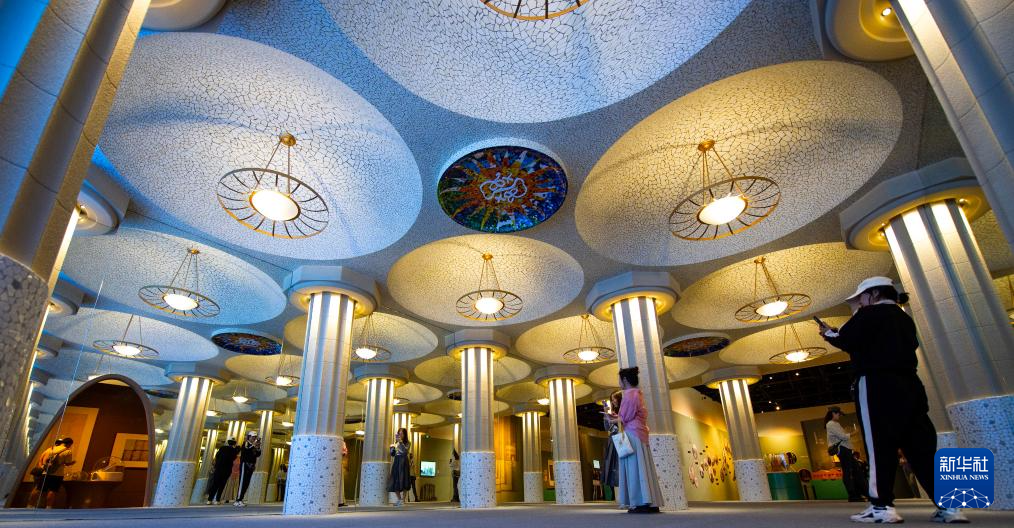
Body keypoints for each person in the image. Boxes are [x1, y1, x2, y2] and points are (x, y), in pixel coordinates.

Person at [818, 276, 967, 524]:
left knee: (879, 446)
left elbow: (846, 340)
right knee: (922, 448)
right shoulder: (904, 318)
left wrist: (828, 333)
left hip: (876, 384)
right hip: (911, 385)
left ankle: (881, 506)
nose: (860, 302)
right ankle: (949, 506)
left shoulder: (867, 315)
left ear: (874, 294)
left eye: (862, 298)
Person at [606, 367, 663, 514]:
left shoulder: (629, 394)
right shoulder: (638, 394)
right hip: (640, 433)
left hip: (632, 434)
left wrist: (611, 419)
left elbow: (625, 417)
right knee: (644, 467)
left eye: (620, 379)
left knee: (634, 468)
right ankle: (650, 501)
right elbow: (630, 415)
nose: (619, 383)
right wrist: (617, 418)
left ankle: (640, 502)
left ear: (625, 380)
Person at [825, 406, 863, 502]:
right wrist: (854, 433)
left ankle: (857, 493)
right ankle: (853, 495)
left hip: (845, 449)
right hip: (842, 450)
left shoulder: (835, 424)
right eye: (839, 414)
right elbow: (842, 436)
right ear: (833, 413)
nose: (840, 416)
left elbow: (842, 437)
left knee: (854, 471)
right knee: (849, 472)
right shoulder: (831, 424)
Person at [35, 437, 75, 508]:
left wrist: (42, 467)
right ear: (69, 444)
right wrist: (72, 463)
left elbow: (41, 459)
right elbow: (67, 463)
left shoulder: (50, 449)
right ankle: (48, 507)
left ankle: (30, 505)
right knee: (52, 491)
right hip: (57, 474)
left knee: (38, 489)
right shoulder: (68, 451)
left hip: (45, 472)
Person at [601, 392, 622, 502]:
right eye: (612, 399)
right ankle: (620, 497)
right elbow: (607, 428)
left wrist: (617, 418)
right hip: (614, 440)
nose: (613, 401)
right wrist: (606, 414)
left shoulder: (624, 410)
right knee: (615, 468)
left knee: (621, 466)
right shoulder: (613, 412)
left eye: (614, 399)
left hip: (623, 439)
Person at [207, 438, 238, 505]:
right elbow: (234, 458)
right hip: (227, 470)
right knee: (222, 485)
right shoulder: (234, 450)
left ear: (228, 442)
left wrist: (216, 465)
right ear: (234, 443)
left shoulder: (222, 448)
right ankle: (217, 500)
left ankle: (209, 500)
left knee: (215, 484)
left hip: (218, 469)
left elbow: (217, 456)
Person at [234, 431, 261, 506]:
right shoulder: (246, 443)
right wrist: (253, 445)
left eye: (255, 437)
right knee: (242, 482)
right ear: (249, 437)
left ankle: (241, 499)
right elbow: (246, 450)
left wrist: (258, 447)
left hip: (251, 466)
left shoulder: (253, 445)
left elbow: (258, 454)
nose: (254, 438)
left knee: (246, 483)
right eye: (253, 437)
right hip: (245, 465)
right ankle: (238, 500)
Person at [388, 427, 412, 507]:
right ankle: (399, 499)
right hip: (397, 461)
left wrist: (401, 443)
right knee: (395, 480)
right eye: (399, 433)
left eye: (402, 433)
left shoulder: (408, 443)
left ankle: (403, 500)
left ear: (405, 434)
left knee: (405, 480)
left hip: (404, 461)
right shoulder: (395, 443)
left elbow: (405, 452)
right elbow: (393, 454)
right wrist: (391, 449)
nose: (400, 435)